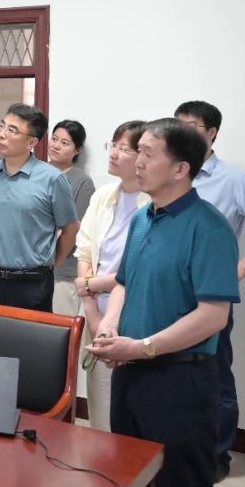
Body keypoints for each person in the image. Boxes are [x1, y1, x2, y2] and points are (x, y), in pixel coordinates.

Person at [88, 119, 239, 487]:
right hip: (131, 373)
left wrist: (142, 347)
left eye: (148, 153)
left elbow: (213, 316)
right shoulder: (142, 218)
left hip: (180, 381)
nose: (136, 160)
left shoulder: (208, 228)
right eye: (137, 151)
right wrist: (110, 324)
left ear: (180, 169)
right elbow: (124, 282)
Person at [175, 100, 245, 481]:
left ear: (211, 133)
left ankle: (217, 455)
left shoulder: (232, 180)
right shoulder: (173, 172)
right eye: (178, 125)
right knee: (175, 372)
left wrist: (240, 267)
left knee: (215, 373)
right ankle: (181, 449)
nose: (182, 132)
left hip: (209, 294)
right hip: (171, 291)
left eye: (191, 126)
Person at [73, 120, 150, 431]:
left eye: (124, 148)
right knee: (101, 400)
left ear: (143, 156)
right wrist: (91, 312)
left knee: (136, 404)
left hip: (135, 312)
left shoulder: (153, 203)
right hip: (96, 309)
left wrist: (89, 284)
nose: (114, 153)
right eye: (113, 145)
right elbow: (84, 251)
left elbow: (139, 269)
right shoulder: (104, 195)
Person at [0, 104, 78, 313]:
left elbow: (70, 229)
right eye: (2, 126)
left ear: (32, 142)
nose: (2, 134)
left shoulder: (52, 179)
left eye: (12, 130)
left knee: (31, 334)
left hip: (32, 284)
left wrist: (51, 263)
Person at [50, 119, 96, 319]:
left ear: (77, 150)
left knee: (60, 326)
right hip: (31, 268)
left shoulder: (82, 181)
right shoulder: (36, 172)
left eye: (64, 143)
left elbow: (76, 228)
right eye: (54, 139)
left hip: (63, 270)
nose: (56, 146)